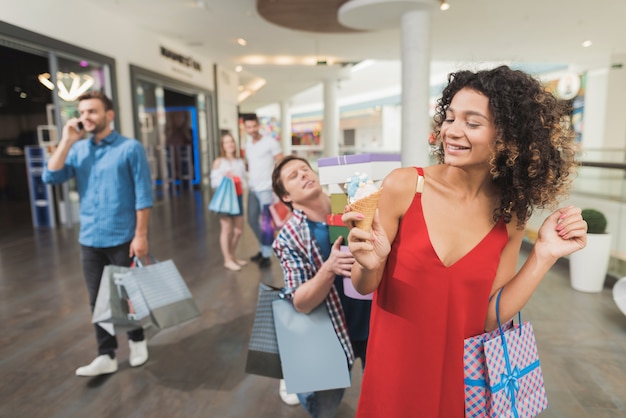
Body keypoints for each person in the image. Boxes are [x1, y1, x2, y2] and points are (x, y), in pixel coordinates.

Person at [342, 66, 588, 417]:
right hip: (396, 373)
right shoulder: (404, 186)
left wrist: (544, 255)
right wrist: (369, 264)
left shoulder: (510, 215)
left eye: (472, 123)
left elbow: (490, 318)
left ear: (509, 139)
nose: (452, 131)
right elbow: (365, 286)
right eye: (450, 118)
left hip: (466, 382)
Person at [42, 91, 153, 377]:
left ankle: (137, 340)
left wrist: (140, 236)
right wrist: (67, 140)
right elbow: (50, 176)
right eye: (82, 112)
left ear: (109, 115)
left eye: (92, 111)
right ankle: (107, 354)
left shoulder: (130, 148)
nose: (85, 118)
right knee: (97, 300)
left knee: (127, 296)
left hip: (123, 236)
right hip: (89, 238)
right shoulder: (78, 149)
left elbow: (143, 195)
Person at [272, 155, 372, 416]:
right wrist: (329, 268)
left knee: (382, 398)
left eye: (305, 169)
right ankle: (293, 375)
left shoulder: (350, 205)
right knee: (323, 407)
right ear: (286, 197)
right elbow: (300, 302)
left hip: (373, 324)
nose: (304, 174)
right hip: (328, 334)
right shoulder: (289, 237)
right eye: (294, 176)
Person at [242, 114, 283, 268]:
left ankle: (265, 254)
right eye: (248, 127)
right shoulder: (248, 144)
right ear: (245, 127)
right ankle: (266, 248)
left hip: (266, 189)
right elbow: (251, 164)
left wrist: (277, 183)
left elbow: (280, 161)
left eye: (254, 126)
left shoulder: (270, 142)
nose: (252, 130)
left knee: (266, 223)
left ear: (259, 125)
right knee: (252, 220)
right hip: (252, 188)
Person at [210, 132, 247, 271]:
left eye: (231, 141)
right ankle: (227, 259)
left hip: (238, 197)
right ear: (222, 146)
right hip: (226, 199)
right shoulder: (219, 162)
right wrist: (227, 177)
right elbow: (214, 183)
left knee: (238, 231)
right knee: (226, 229)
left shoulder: (240, 161)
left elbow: (243, 180)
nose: (230, 144)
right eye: (226, 142)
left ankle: (232, 256)